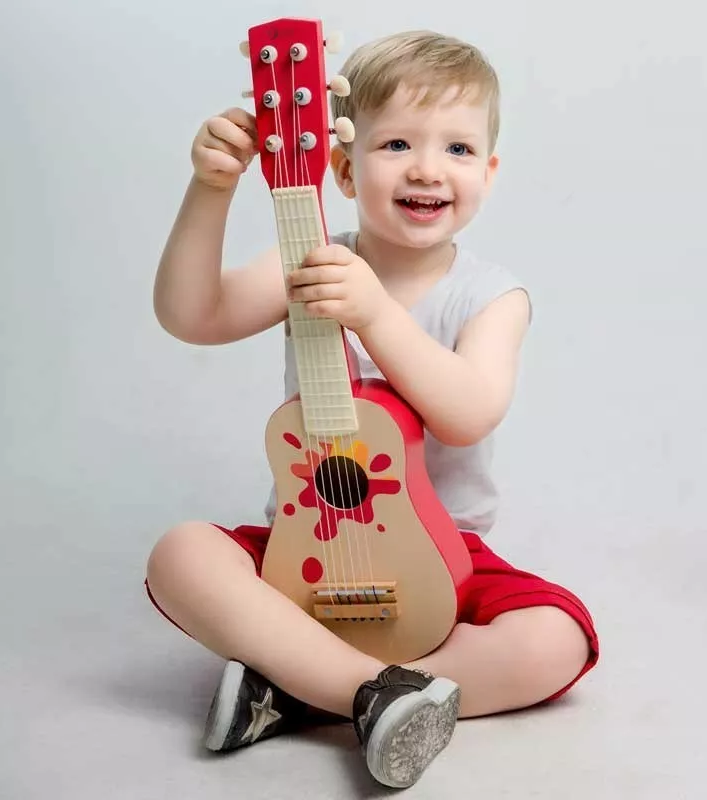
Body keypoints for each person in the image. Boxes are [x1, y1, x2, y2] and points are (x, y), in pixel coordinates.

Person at [145, 29, 600, 789]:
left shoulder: (492, 297)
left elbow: (467, 413)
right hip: (309, 548)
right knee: (180, 555)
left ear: (489, 171)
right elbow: (191, 315)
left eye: (457, 149)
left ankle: (297, 686)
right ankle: (373, 695)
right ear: (342, 167)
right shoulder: (305, 260)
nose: (427, 168)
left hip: (445, 556)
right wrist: (212, 189)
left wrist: (378, 317)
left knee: (557, 641)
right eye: (395, 143)